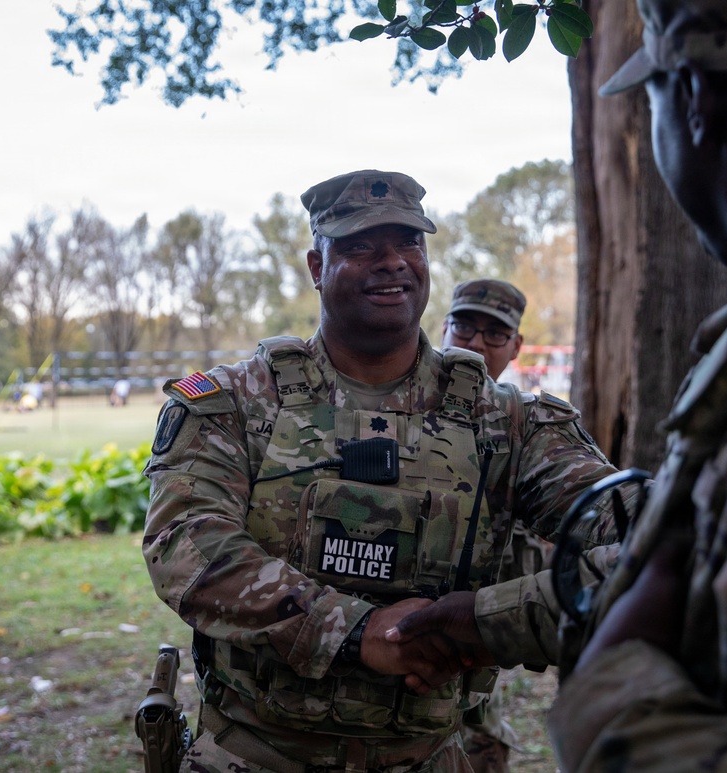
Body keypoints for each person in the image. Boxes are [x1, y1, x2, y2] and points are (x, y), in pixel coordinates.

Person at [389, 0, 727, 769]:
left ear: (693, 97)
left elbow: (651, 576)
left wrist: (611, 693)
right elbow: (684, 571)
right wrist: (485, 618)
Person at [142, 169, 620, 773]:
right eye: (360, 246)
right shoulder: (233, 402)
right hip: (257, 754)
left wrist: (489, 622)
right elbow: (184, 545)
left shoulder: (505, 419)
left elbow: (630, 526)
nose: (392, 262)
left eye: (408, 243)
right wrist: (352, 629)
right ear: (317, 266)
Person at [441, 278, 549, 773]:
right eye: (464, 326)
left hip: (473, 646)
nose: (476, 342)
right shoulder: (397, 406)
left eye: (494, 333)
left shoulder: (522, 430)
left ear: (516, 346)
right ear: (444, 327)